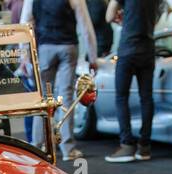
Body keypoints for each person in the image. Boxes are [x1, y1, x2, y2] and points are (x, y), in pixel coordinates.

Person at [22, 0, 99, 160]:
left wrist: (24, 56)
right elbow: (86, 26)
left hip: (44, 48)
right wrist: (92, 57)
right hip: (68, 47)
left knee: (42, 99)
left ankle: (38, 146)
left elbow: (25, 24)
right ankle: (68, 148)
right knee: (66, 96)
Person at [104, 0, 164, 162]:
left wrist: (122, 14)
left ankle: (127, 145)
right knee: (146, 97)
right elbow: (155, 18)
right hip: (148, 49)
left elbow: (109, 17)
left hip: (128, 48)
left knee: (121, 97)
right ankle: (144, 147)